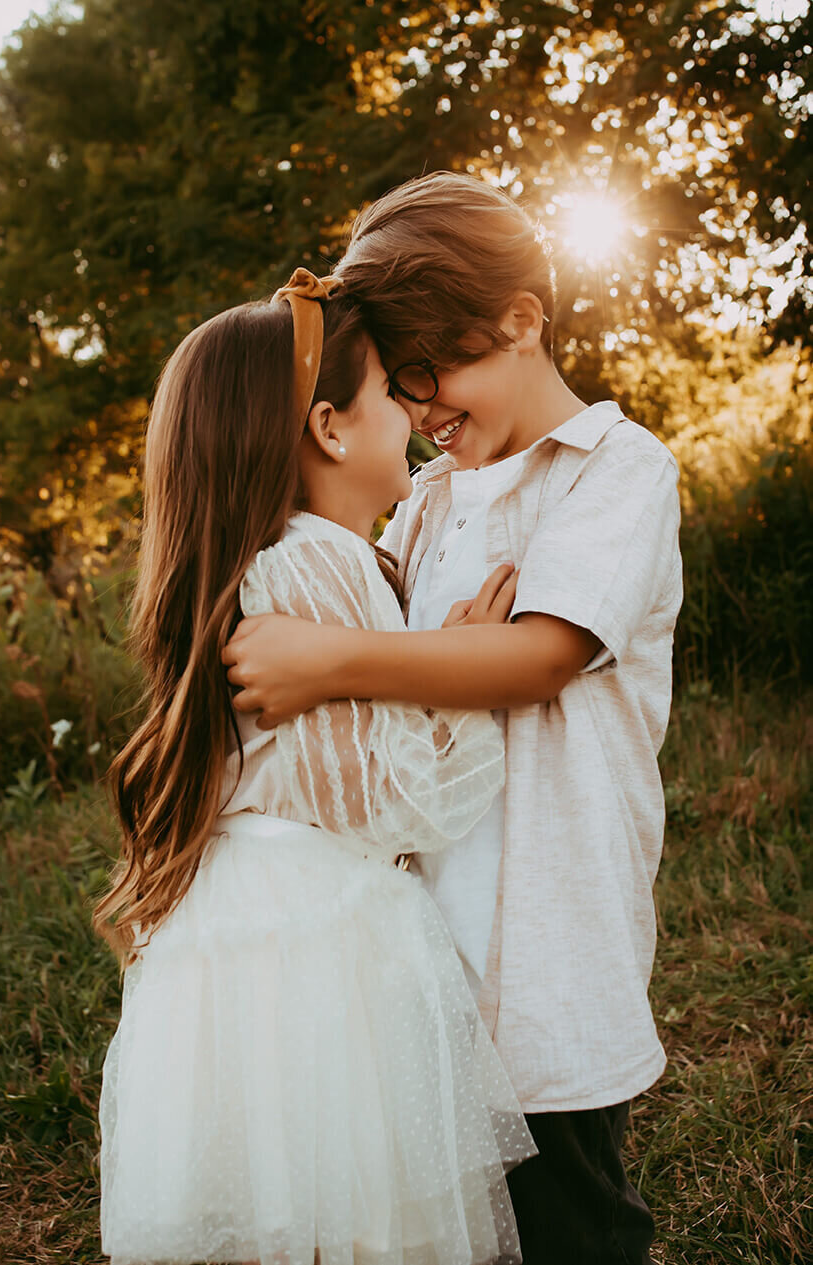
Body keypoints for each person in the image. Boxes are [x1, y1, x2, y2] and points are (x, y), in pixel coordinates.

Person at [222, 173, 684, 1265]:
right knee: (451, 1220)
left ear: (521, 321)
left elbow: (540, 653)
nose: (426, 408)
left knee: (570, 1213)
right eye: (406, 382)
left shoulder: (615, 471)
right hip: (423, 947)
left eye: (440, 371)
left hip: (550, 944)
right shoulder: (428, 498)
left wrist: (330, 659)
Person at [95, 268, 536, 1265]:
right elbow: (389, 802)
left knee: (275, 1211)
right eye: (392, 392)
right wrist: (466, 671)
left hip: (242, 937)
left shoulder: (265, 558)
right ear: (331, 427)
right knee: (357, 1216)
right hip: (319, 941)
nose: (415, 414)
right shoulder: (317, 558)